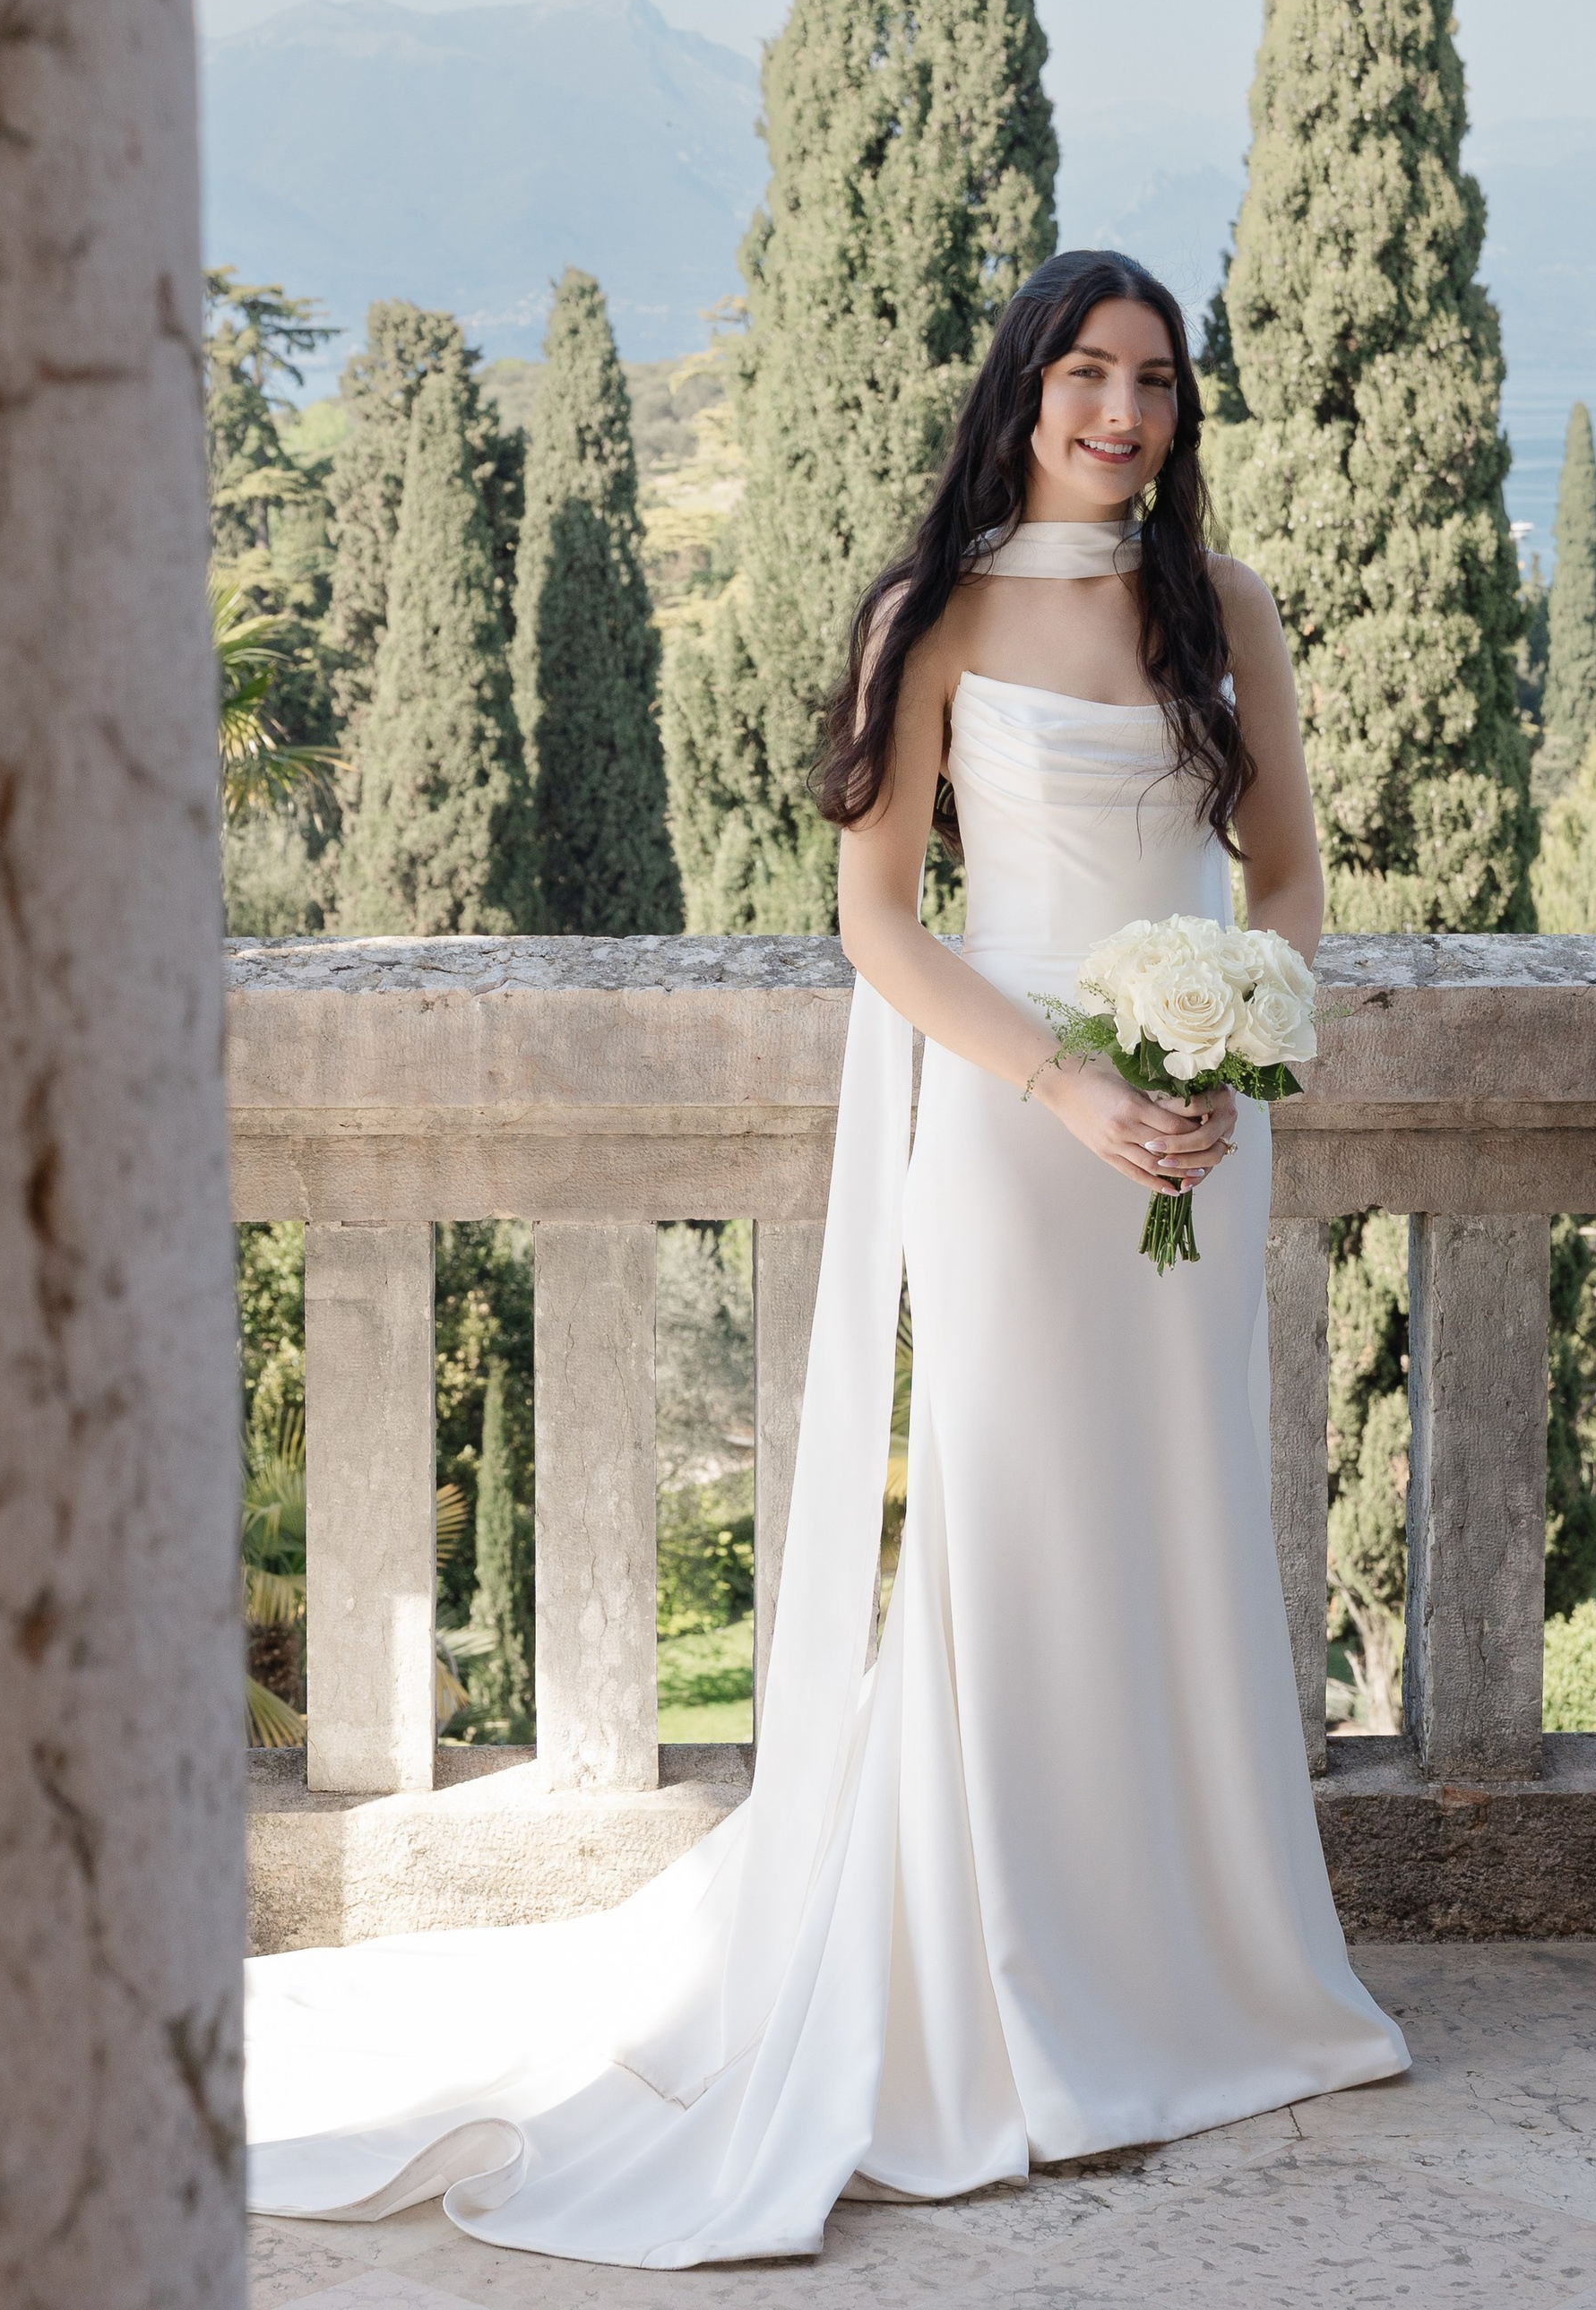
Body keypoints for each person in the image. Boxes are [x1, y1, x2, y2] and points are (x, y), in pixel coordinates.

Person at [246, 247, 1408, 2268]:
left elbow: (1289, 875)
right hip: (1012, 1111)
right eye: (1085, 375)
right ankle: (1008, 1989)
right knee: (1010, 1537)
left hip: (1201, 1134)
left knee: (1178, 1525)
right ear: (1022, 389)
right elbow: (879, 920)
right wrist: (1068, 1086)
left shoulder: (1224, 612)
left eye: (1153, 381)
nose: (1120, 414)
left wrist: (1243, 1033)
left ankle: (1196, 1976)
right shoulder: (928, 610)